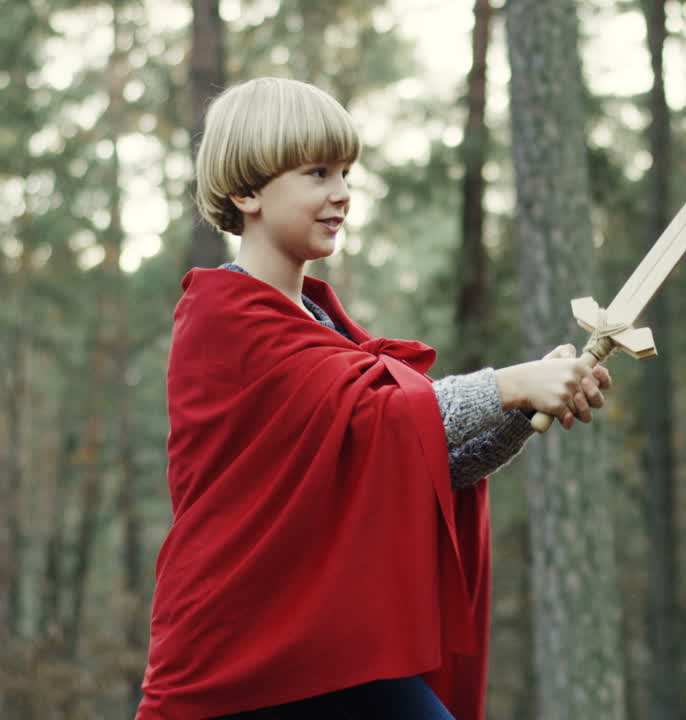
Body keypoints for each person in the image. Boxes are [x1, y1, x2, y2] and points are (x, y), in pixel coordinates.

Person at [136, 77, 611, 720]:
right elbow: (381, 419)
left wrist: (523, 412)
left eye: (345, 173)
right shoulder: (224, 318)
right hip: (236, 649)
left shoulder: (325, 328)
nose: (341, 193)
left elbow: (419, 460)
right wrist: (509, 384)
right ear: (247, 192)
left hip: (323, 645)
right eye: (317, 173)